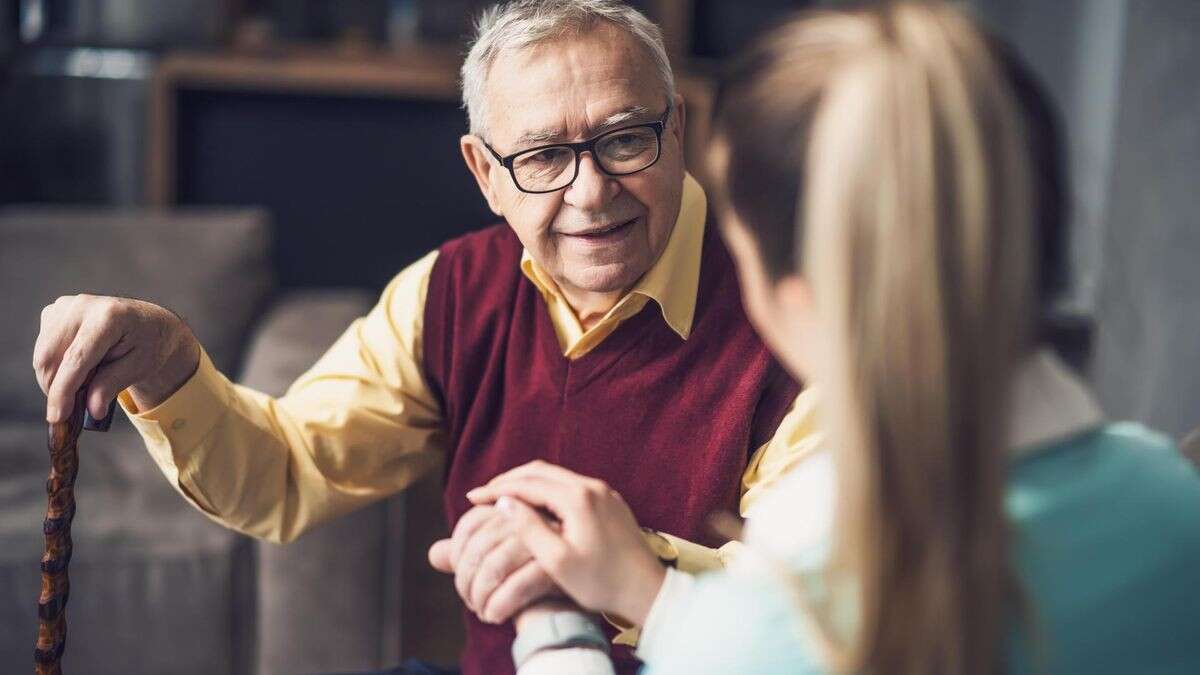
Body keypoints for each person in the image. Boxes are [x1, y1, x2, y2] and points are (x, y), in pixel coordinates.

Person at [30, 2, 819, 673]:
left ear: (677, 126)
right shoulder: (449, 292)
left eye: (623, 140)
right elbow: (288, 470)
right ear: (485, 173)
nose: (590, 191)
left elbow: (822, 622)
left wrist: (628, 566)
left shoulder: (797, 314)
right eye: (544, 156)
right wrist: (172, 367)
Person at [471, 3, 1200, 673]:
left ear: (798, 290)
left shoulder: (776, 626)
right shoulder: (1175, 503)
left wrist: (554, 626)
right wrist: (650, 594)